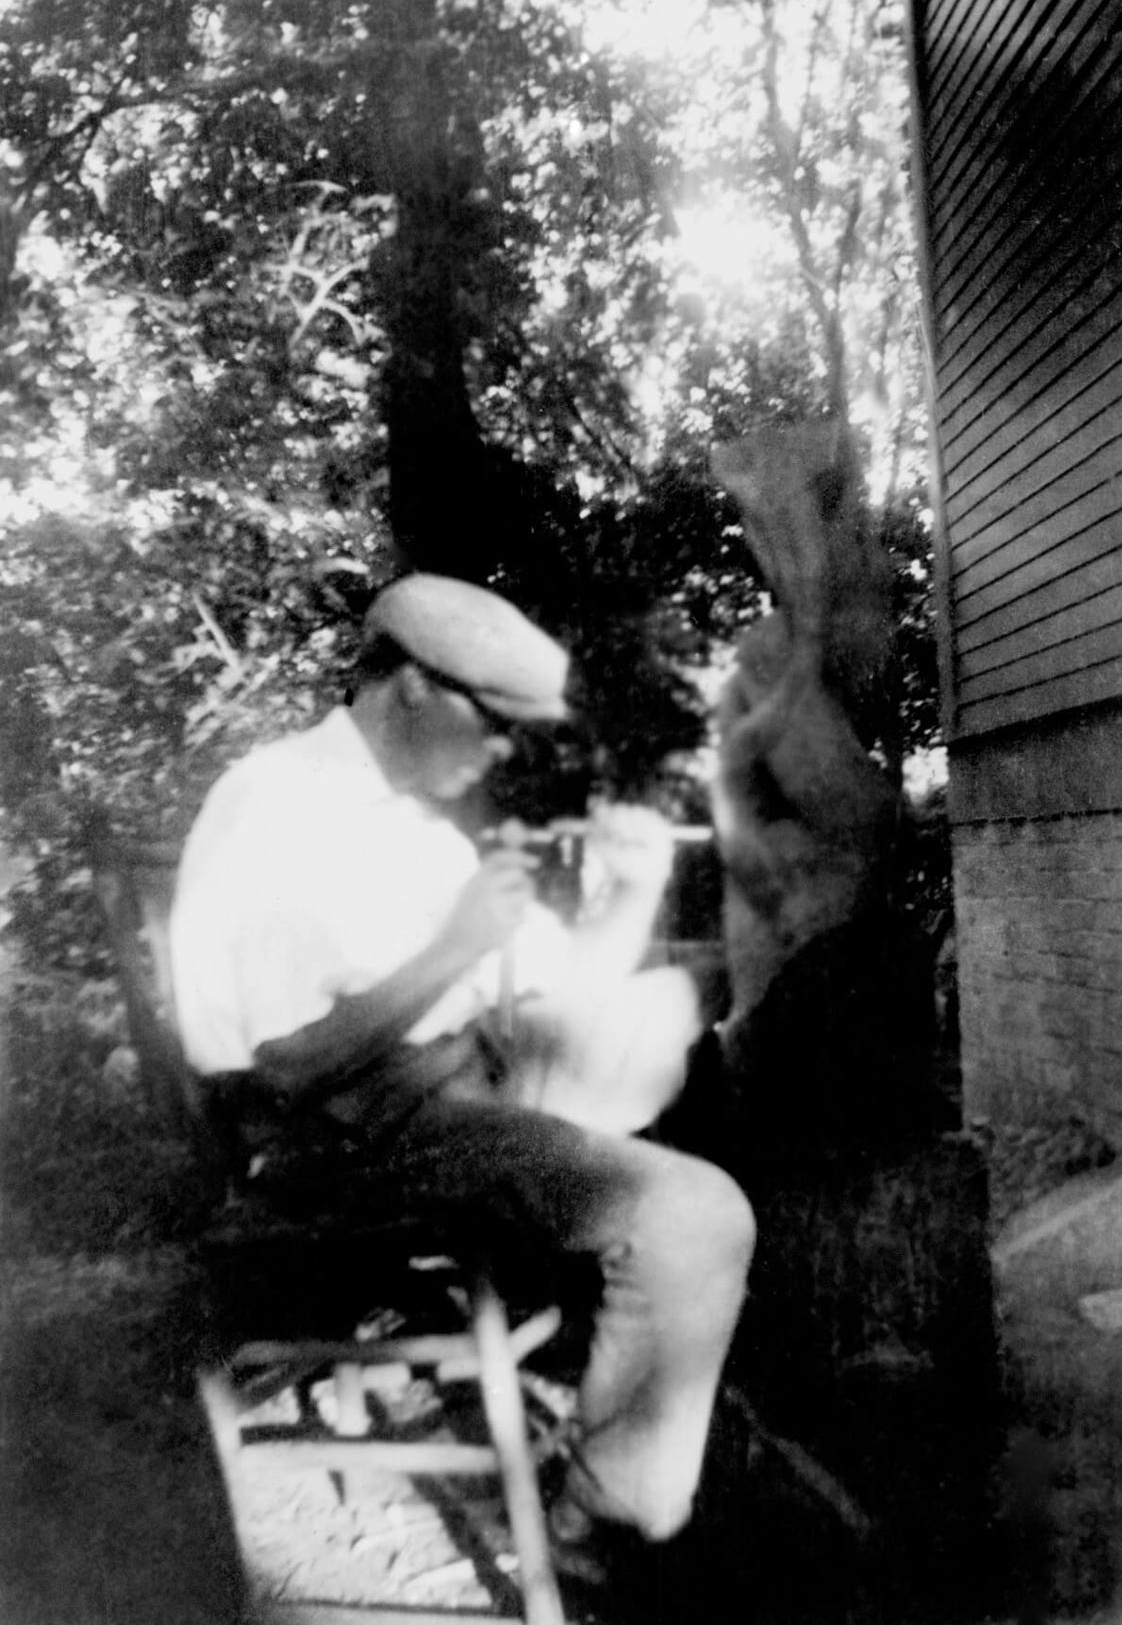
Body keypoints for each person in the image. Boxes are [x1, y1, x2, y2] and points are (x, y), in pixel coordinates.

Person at [169, 572, 755, 1569]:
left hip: (462, 1080)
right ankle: (605, 1512)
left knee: (679, 998)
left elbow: (558, 987)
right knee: (694, 1213)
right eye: (492, 724)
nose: (503, 751)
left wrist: (634, 883)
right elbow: (280, 1075)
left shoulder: (419, 827)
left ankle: (669, 1355)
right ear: (411, 688)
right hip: (351, 1138)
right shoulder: (276, 803)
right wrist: (452, 946)